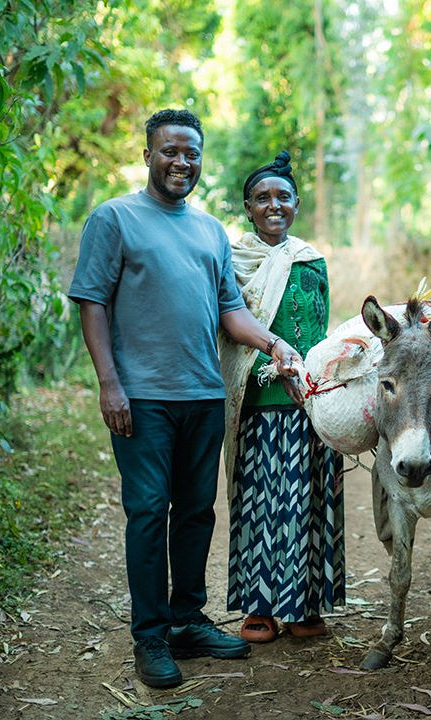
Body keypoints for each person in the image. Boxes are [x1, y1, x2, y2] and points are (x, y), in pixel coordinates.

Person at [68, 109, 301, 689]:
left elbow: (230, 311)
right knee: (148, 512)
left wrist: (275, 343)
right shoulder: (113, 219)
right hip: (142, 398)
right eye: (170, 151)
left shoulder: (208, 232)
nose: (182, 162)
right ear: (147, 154)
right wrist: (109, 383)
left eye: (191, 153)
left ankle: (187, 619)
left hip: (204, 393)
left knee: (197, 512)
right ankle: (150, 637)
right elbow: (91, 302)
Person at [219, 150, 345, 645]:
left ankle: (304, 605)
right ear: (247, 207)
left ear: (296, 204)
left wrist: (317, 383)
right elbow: (229, 331)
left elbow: (318, 327)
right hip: (257, 402)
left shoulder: (311, 261)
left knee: (309, 499)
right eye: (262, 198)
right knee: (262, 503)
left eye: (283, 197)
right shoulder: (232, 260)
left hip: (309, 403)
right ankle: (260, 605)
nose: (274, 205)